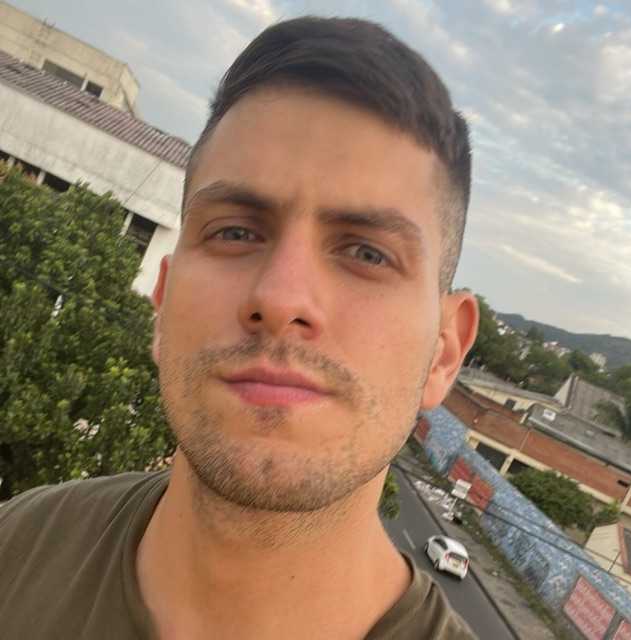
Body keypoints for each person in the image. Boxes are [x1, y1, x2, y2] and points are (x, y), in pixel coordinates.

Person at [0, 16, 479, 640]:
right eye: (235, 232)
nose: (279, 299)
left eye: (367, 253)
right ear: (163, 301)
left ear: (444, 353)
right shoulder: (17, 548)